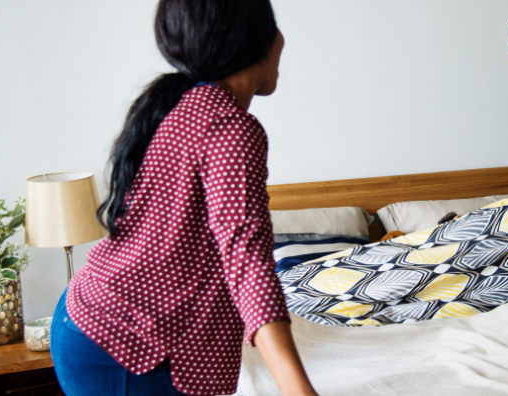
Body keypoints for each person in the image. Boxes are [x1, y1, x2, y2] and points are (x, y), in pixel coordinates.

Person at [49, 1, 317, 395]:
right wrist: (298, 389)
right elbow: (247, 260)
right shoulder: (229, 127)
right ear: (255, 39)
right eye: (274, 26)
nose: (282, 39)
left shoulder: (183, 105)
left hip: (92, 321)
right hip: (126, 348)